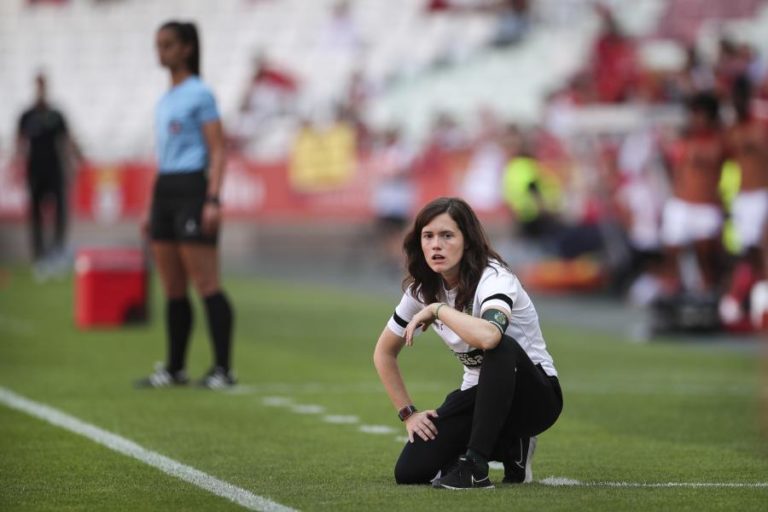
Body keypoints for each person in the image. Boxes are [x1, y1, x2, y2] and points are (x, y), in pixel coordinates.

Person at [373, 197, 563, 489]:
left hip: (535, 396)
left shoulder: (495, 278)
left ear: (468, 242)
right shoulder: (421, 290)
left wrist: (438, 311)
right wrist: (408, 414)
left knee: (499, 346)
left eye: (447, 235)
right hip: (479, 395)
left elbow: (490, 336)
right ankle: (513, 448)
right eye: (428, 236)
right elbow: (384, 353)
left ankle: (476, 466)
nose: (436, 245)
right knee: (410, 472)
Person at [136, 21, 235, 389]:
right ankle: (175, 368)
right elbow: (163, 157)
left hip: (193, 189)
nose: (160, 51)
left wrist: (212, 198)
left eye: (167, 44)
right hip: (165, 190)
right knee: (173, 287)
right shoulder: (165, 98)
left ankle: (223, 369)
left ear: (187, 48)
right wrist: (150, 206)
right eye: (158, 44)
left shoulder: (200, 94)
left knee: (207, 283)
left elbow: (219, 149)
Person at [16, 73, 84, 278]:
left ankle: (57, 251)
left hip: (54, 171)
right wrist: (17, 166)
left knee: (59, 213)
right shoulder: (26, 116)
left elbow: (67, 139)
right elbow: (19, 143)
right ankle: (39, 255)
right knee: (35, 215)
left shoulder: (56, 115)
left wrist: (77, 156)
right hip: (35, 172)